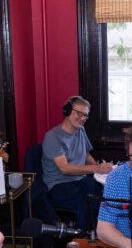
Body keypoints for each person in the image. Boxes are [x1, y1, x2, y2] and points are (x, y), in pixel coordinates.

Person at [42, 96, 112, 229]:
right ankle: (84, 236)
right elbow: (65, 168)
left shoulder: (80, 130)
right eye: (78, 113)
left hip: (80, 180)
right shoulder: (52, 137)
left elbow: (85, 153)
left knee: (99, 192)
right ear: (67, 111)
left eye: (85, 115)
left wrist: (100, 167)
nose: (82, 118)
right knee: (86, 199)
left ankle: (100, 231)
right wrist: (95, 169)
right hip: (58, 185)